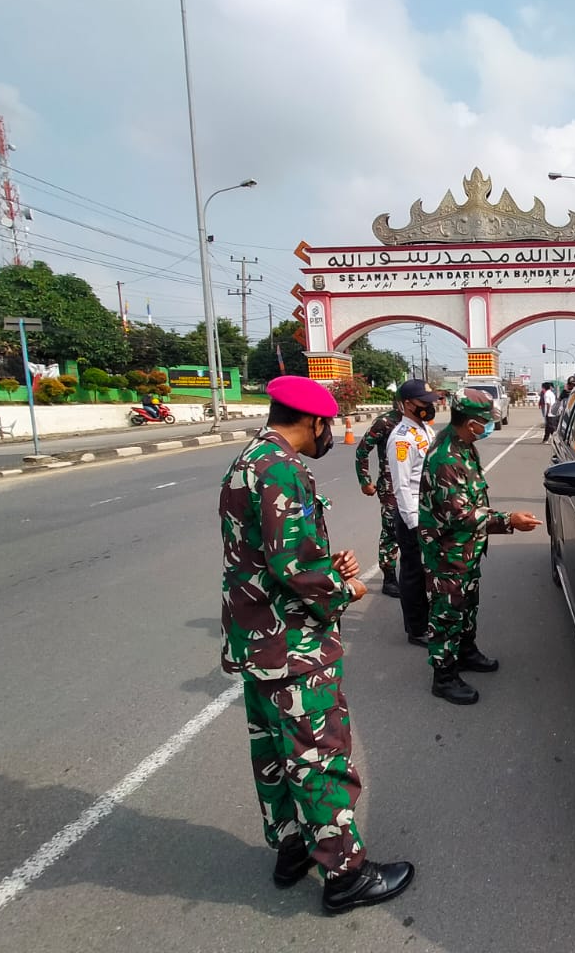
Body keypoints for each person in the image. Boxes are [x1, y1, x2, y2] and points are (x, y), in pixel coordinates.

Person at [218, 375, 413, 914]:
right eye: (327, 427)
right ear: (314, 422)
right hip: (292, 646)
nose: (329, 437)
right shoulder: (281, 470)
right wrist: (344, 587)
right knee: (319, 758)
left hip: (256, 642)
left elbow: (262, 554)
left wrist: (330, 564)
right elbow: (294, 565)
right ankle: (345, 874)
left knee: (274, 754)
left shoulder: (249, 460)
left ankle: (291, 849)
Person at [418, 389, 542, 704]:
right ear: (472, 423)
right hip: (449, 551)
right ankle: (443, 677)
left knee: (467, 605)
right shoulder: (447, 457)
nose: (488, 425)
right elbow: (459, 515)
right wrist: (509, 519)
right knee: (447, 613)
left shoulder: (464, 445)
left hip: (466, 550)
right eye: (485, 420)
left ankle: (466, 652)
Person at [386, 378, 441, 646]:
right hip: (413, 515)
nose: (429, 407)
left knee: (427, 570)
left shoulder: (424, 430)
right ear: (407, 404)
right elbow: (402, 486)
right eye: (424, 403)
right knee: (413, 572)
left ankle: (425, 617)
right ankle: (417, 629)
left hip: (428, 512)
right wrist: (413, 523)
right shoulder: (402, 440)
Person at [355, 396, 403, 597]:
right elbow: (362, 450)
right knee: (392, 532)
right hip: (391, 487)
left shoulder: (419, 424)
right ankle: (390, 578)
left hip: (416, 487)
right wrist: (365, 481)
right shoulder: (386, 422)